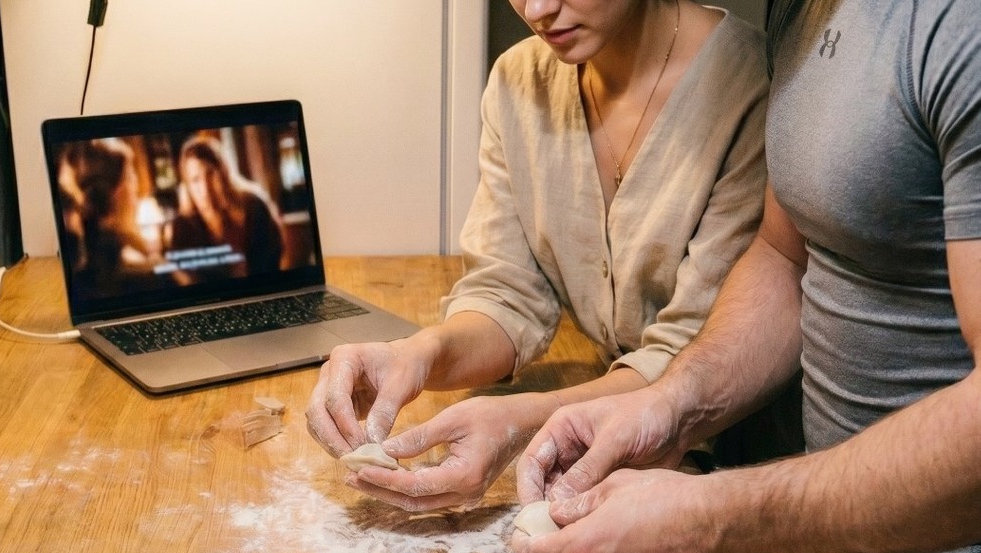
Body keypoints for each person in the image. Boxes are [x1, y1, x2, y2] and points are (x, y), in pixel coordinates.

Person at [512, 0, 981, 553]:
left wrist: (716, 521)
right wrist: (665, 408)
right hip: (817, 550)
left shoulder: (974, 24)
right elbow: (785, 257)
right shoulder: (801, 10)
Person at [304, 0, 769, 511]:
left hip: (747, 474)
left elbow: (693, 357)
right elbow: (507, 296)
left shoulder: (754, 85)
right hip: (618, 450)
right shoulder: (519, 80)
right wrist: (418, 354)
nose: (538, 9)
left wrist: (520, 422)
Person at [166, 133, 286, 278]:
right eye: (195, 180)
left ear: (224, 173)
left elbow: (273, 264)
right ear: (187, 186)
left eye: (210, 174)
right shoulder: (182, 227)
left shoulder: (254, 208)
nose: (205, 189)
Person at [61, 137, 164, 300]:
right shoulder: (139, 273)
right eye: (130, 177)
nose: (135, 191)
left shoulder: (83, 254)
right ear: (116, 192)